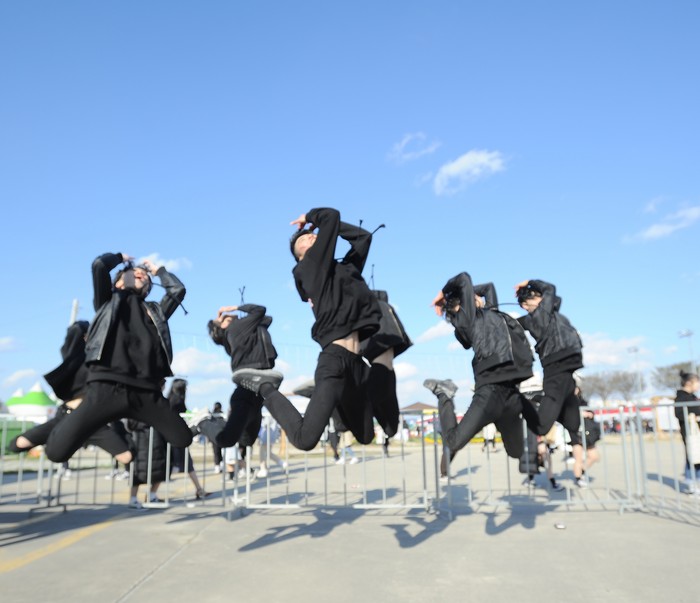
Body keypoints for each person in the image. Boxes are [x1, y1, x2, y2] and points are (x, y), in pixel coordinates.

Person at [233, 207, 383, 451]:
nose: (312, 236)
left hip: (357, 364)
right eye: (303, 240)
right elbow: (330, 216)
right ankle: (265, 386)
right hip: (334, 360)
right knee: (305, 439)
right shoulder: (309, 268)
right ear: (299, 255)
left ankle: (325, 396)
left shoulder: (343, 270)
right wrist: (311, 218)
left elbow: (363, 238)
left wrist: (325, 229)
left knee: (366, 435)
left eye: (314, 235)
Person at [45, 253, 193, 463]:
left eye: (145, 276)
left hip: (146, 392)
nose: (141, 274)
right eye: (134, 272)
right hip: (106, 388)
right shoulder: (107, 300)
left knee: (183, 438)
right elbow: (99, 265)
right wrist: (120, 258)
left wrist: (158, 271)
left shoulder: (156, 311)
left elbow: (177, 290)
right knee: (55, 452)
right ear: (119, 281)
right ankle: (64, 425)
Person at [423, 273, 533, 460]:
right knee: (453, 442)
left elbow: (488, 287)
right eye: (470, 297)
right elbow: (464, 278)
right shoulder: (466, 318)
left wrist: (465, 293)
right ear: (461, 305)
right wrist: (444, 293)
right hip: (489, 392)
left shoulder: (490, 313)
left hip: (511, 393)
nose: (476, 296)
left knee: (516, 452)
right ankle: (444, 393)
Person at [9, 320, 132, 466]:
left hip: (92, 419)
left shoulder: (102, 360)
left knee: (127, 456)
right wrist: (81, 329)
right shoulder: (74, 361)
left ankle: (74, 441)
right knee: (18, 443)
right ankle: (62, 441)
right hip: (66, 416)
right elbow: (74, 338)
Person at [194, 303, 278, 460]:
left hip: (257, 390)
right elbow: (260, 310)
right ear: (222, 327)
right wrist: (231, 308)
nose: (224, 316)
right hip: (247, 390)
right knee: (227, 440)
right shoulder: (236, 329)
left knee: (248, 440)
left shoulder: (242, 329)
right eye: (222, 319)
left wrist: (233, 316)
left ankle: (218, 423)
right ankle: (203, 422)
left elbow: (267, 319)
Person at [515, 279, 584, 444]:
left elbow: (556, 299)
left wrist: (531, 290)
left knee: (573, 424)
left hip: (567, 372)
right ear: (525, 305)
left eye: (540, 297)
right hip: (556, 369)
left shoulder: (548, 313)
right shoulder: (539, 315)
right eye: (535, 298)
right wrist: (530, 282)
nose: (541, 299)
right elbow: (550, 289)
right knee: (541, 427)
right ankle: (517, 400)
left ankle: (540, 399)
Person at [360, 289, 412, 454]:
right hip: (379, 371)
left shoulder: (384, 309)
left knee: (392, 429)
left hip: (389, 373)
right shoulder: (378, 309)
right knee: (369, 423)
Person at [167, 378, 210, 499]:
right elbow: (184, 412)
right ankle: (151, 493)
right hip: (176, 437)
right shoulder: (177, 400)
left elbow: (186, 412)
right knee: (175, 466)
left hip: (175, 436)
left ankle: (199, 489)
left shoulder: (172, 399)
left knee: (185, 465)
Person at [674, 370, 700, 493]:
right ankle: (691, 483)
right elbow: (679, 413)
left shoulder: (692, 396)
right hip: (689, 432)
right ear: (689, 383)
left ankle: (696, 481)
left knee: (697, 456)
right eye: (697, 382)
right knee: (692, 455)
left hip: (696, 432)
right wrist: (692, 415)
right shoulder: (681, 397)